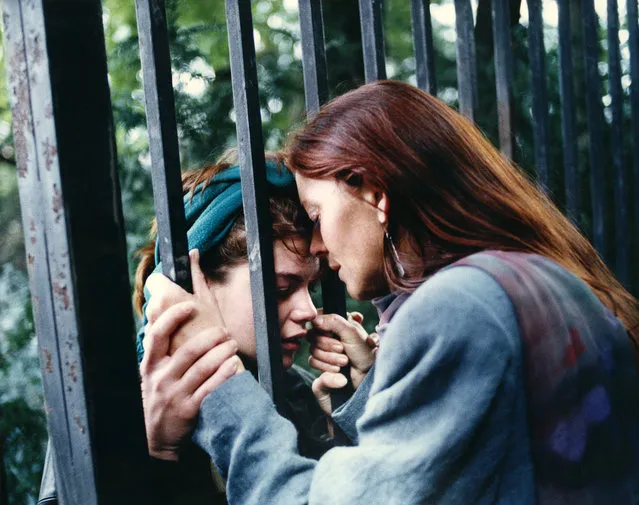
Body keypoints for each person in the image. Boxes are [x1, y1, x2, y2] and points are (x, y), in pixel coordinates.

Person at [143, 81, 639, 504]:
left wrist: (220, 388)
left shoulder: (459, 305)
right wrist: (378, 380)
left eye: (316, 216)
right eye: (278, 287)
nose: (319, 242)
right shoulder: (547, 279)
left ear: (374, 193)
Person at [136, 152, 376, 503]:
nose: (308, 311)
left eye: (311, 287)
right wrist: (157, 452)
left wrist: (361, 406)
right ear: (195, 285)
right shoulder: (114, 402)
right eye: (280, 289)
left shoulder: (301, 393)